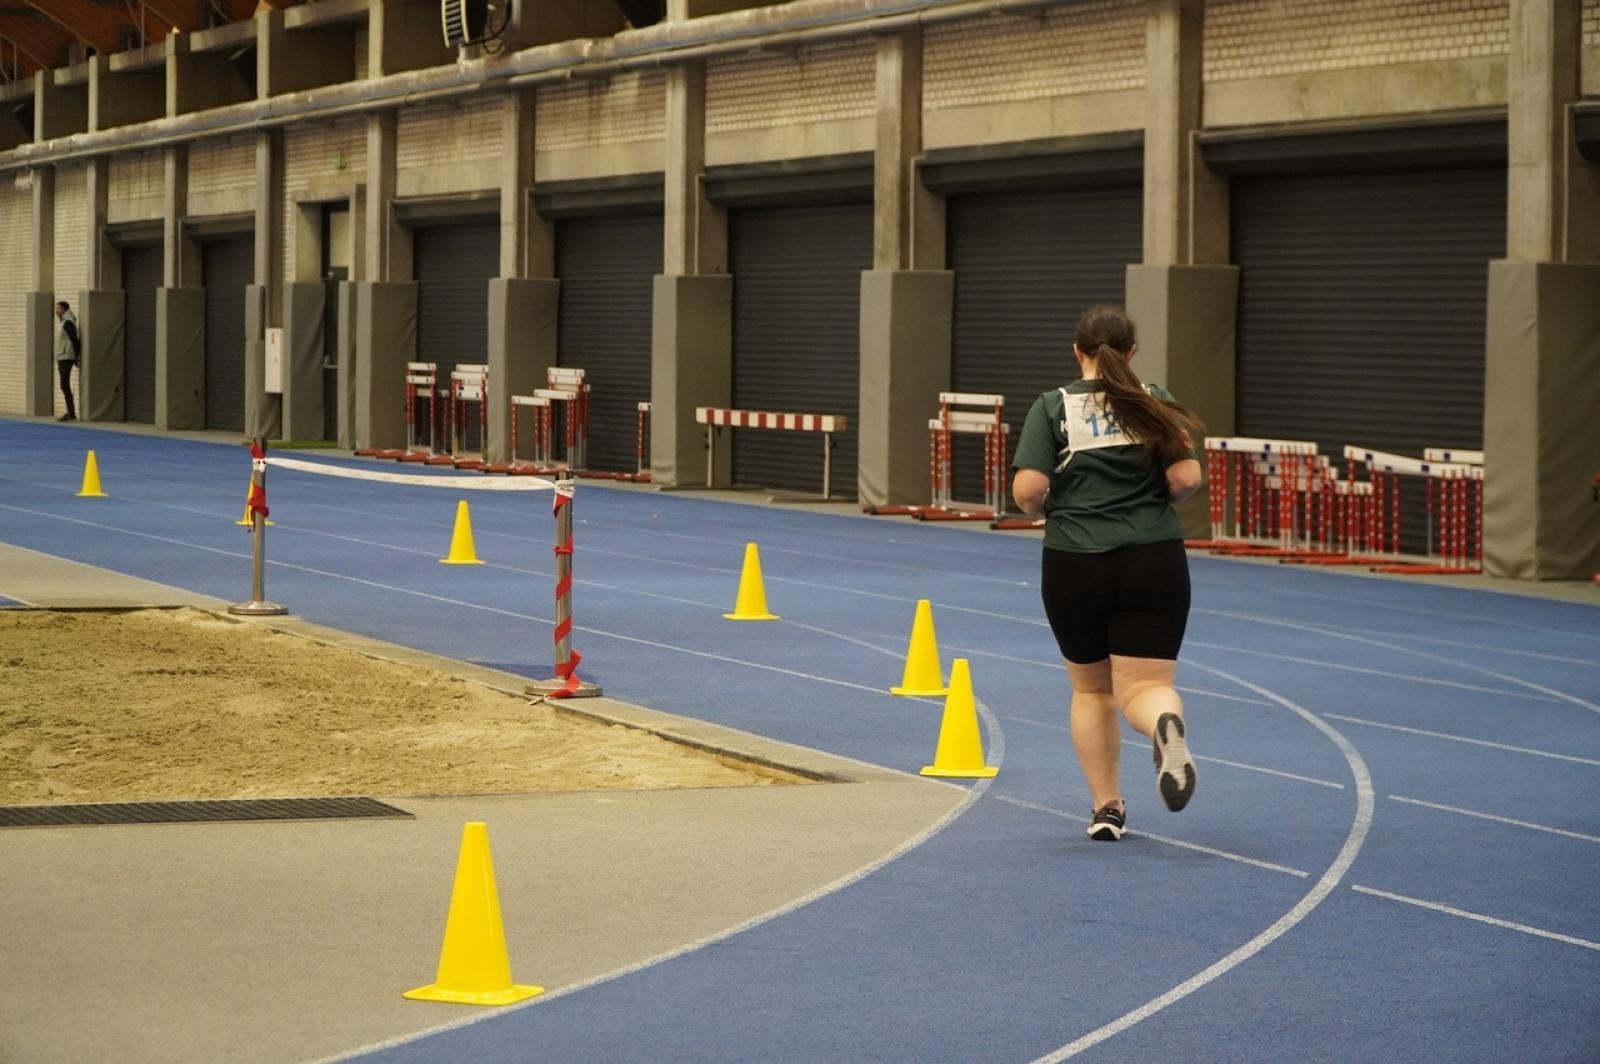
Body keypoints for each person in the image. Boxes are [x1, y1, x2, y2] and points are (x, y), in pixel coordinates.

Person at [1010, 305, 1205, 841]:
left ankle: (1107, 809)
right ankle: (1164, 727)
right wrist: (1154, 500)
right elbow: (1186, 478)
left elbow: (1027, 491)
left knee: (1092, 690)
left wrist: (1049, 510)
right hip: (1153, 558)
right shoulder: (1154, 401)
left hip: (1075, 560)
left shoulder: (1053, 406)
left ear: (1078, 351)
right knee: (1147, 685)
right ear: (1132, 353)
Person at [54, 301, 80, 422]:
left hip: (66, 357)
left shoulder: (68, 322)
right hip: (63, 356)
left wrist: (76, 357)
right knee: (64, 385)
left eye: (59, 308)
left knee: (64, 385)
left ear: (65, 309)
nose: (56, 311)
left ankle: (71, 412)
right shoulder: (65, 321)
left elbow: (75, 340)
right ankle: (71, 412)